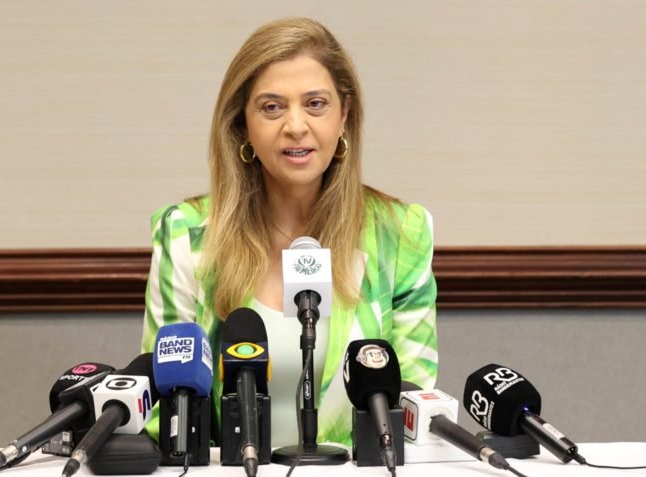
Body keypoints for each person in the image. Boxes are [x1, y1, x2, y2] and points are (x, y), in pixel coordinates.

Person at [141, 17, 437, 447]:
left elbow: (413, 407)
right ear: (243, 123)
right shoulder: (187, 235)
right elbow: (164, 410)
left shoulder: (400, 233)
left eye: (315, 104)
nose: (295, 126)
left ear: (344, 116)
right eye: (271, 107)